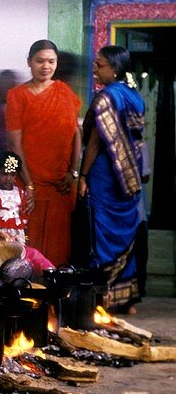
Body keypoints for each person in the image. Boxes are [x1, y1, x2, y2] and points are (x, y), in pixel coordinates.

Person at [74, 45, 146, 313]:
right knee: (125, 236)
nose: (95, 68)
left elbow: (93, 143)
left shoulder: (105, 98)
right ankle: (125, 300)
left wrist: (82, 176)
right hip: (130, 176)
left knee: (101, 236)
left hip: (106, 175)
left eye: (100, 64)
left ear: (114, 69)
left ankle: (101, 299)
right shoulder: (135, 96)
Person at [6, 39, 82, 267]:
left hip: (62, 183)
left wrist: (74, 172)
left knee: (60, 247)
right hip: (28, 180)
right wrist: (28, 183)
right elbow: (14, 143)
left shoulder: (64, 91)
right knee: (27, 246)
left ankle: (54, 298)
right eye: (40, 61)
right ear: (29, 62)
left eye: (51, 61)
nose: (45, 66)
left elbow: (76, 133)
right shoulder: (17, 95)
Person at [0, 150, 53, 274]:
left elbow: (25, 211)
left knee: (20, 256)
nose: (8, 178)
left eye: (12, 174)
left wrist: (22, 222)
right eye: (4, 174)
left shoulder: (20, 192)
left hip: (17, 232)